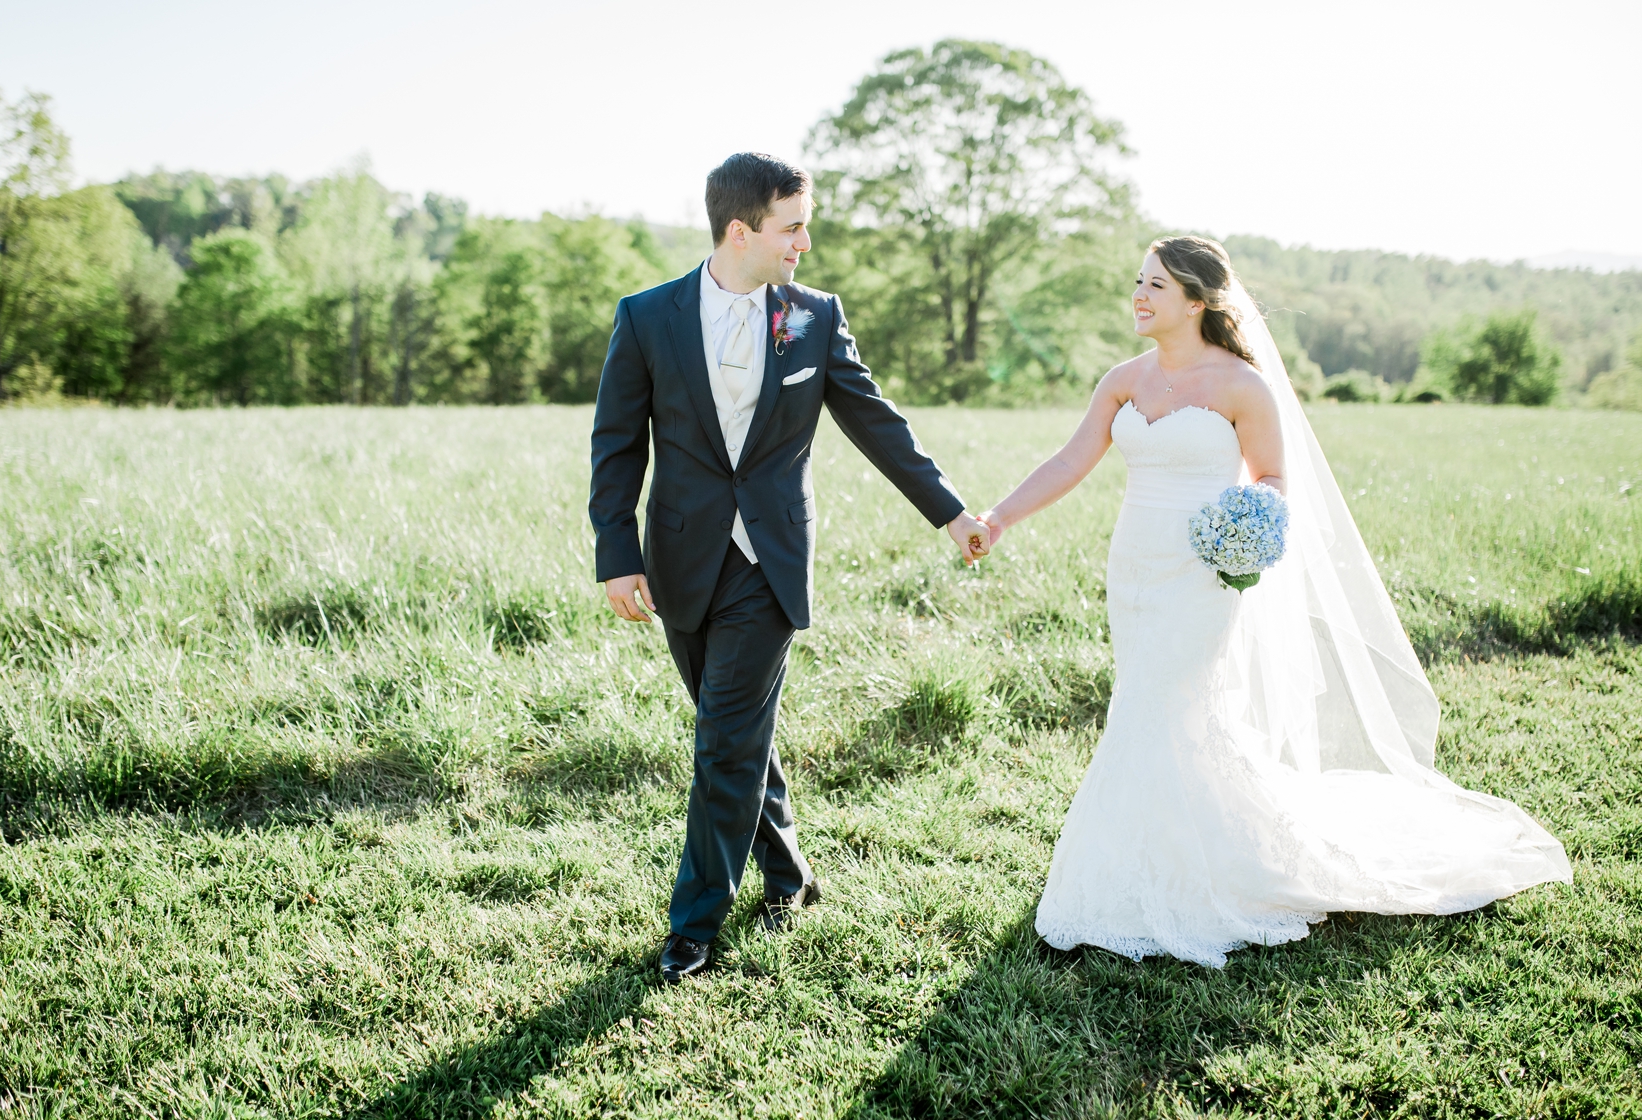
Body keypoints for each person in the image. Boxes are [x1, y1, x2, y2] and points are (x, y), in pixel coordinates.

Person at [979, 236, 1572, 967]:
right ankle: (1156, 852)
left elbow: (1273, 481)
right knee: (1143, 699)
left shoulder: (1241, 387)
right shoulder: (1124, 380)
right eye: (1138, 281)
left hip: (1201, 576)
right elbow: (1072, 459)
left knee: (1163, 704)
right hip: (1133, 570)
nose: (1138, 295)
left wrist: (1240, 533)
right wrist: (1000, 517)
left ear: (1196, 301)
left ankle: (1184, 873)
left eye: (1155, 286)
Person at [589, 153, 991, 983]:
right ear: (742, 231)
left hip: (770, 562)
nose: (806, 241)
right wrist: (616, 555)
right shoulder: (647, 317)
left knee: (723, 740)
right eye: (794, 226)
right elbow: (617, 445)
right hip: (680, 563)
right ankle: (791, 875)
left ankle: (694, 922)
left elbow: (876, 422)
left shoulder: (814, 317)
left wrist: (952, 513)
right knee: (735, 731)